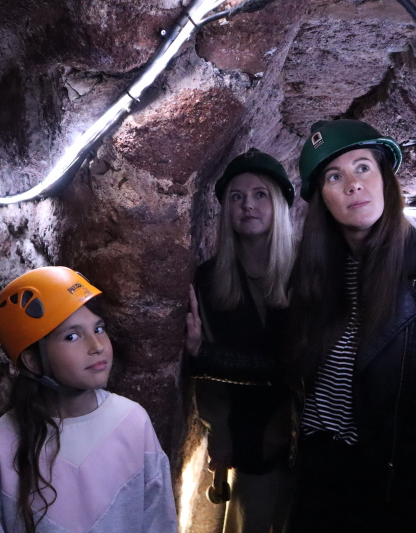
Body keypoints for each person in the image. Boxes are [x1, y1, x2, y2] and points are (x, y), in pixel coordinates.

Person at [285, 119, 416, 532]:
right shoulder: (313, 277)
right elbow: (286, 371)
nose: (353, 185)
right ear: (321, 197)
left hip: (393, 493)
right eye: (334, 175)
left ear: (385, 177)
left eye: (363, 167)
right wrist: (205, 353)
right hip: (318, 485)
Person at [0, 266, 177, 533]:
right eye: (72, 336)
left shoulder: (133, 421)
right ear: (32, 361)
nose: (97, 345)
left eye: (99, 328)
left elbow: (159, 519)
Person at [185, 149, 297, 533]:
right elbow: (209, 380)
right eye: (237, 197)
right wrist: (219, 433)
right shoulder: (211, 280)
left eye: (260, 194)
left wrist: (285, 423)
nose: (248, 205)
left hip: (305, 428)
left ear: (278, 203)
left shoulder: (308, 271)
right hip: (246, 428)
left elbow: (310, 362)